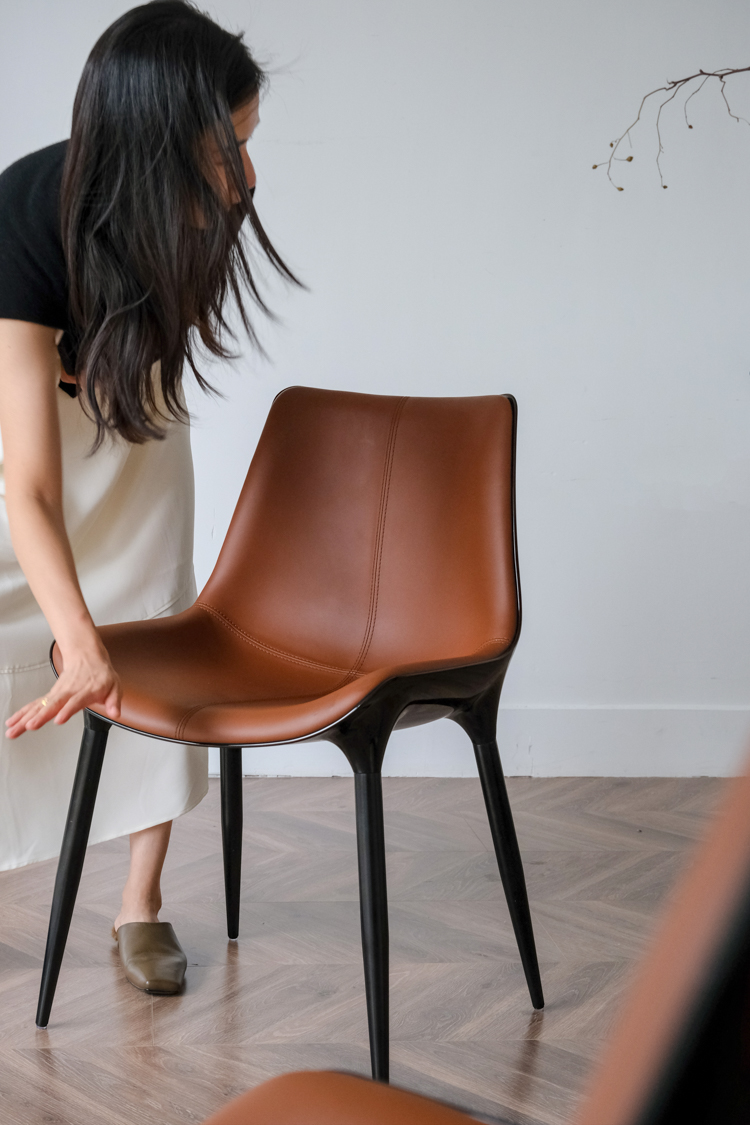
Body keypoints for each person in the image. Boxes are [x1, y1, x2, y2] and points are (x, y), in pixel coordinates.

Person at [0, 0, 297, 995]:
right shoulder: (23, 211)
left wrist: (96, 634)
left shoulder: (202, 206)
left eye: (250, 144)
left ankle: (141, 905)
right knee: (55, 637)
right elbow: (28, 483)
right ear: (158, 140)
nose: (249, 180)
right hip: (29, 420)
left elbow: (156, 350)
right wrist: (68, 635)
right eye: (229, 150)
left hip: (134, 417)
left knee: (145, 641)